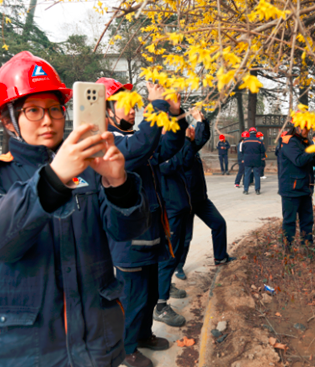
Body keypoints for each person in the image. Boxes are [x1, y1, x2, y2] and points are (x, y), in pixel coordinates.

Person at [0, 51, 151, 367]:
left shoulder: (92, 170)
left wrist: (119, 183)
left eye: (54, 109)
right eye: (33, 110)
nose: (47, 120)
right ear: (8, 120)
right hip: (24, 350)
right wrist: (53, 178)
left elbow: (127, 232)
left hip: (95, 341)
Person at [96, 77, 188, 367]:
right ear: (107, 110)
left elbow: (167, 146)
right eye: (126, 105)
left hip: (150, 233)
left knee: (147, 295)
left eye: (135, 105)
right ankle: (125, 349)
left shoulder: (134, 138)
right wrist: (157, 105)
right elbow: (141, 146)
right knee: (132, 298)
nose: (133, 110)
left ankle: (144, 334)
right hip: (129, 240)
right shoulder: (107, 142)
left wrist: (175, 115)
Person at [175, 109, 236, 280]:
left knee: (219, 224)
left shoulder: (191, 145)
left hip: (200, 199)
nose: (191, 130)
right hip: (185, 201)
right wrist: (188, 138)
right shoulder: (178, 147)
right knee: (185, 238)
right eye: (189, 129)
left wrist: (202, 120)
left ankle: (220, 257)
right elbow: (185, 160)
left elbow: (203, 137)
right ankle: (178, 267)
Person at [156, 126, 197, 318]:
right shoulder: (157, 148)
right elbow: (171, 165)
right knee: (168, 256)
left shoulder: (173, 147)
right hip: (169, 210)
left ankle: (166, 287)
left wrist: (189, 142)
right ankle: (160, 305)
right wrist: (187, 142)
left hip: (180, 208)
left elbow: (186, 162)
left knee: (177, 251)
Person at [277, 118, 315, 253]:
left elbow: (313, 163)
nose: (307, 130)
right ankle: (286, 249)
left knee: (307, 220)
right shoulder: (288, 141)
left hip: (305, 187)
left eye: (309, 127)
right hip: (291, 189)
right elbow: (299, 160)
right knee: (289, 222)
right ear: (297, 127)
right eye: (305, 127)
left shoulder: (306, 142)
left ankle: (307, 246)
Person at [242, 127, 266, 195]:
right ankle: (257, 190)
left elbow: (243, 151)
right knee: (257, 175)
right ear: (256, 133)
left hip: (247, 160)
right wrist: (262, 157)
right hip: (256, 160)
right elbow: (263, 150)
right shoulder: (259, 141)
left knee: (247, 175)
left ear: (249, 133)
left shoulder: (245, 141)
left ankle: (246, 190)